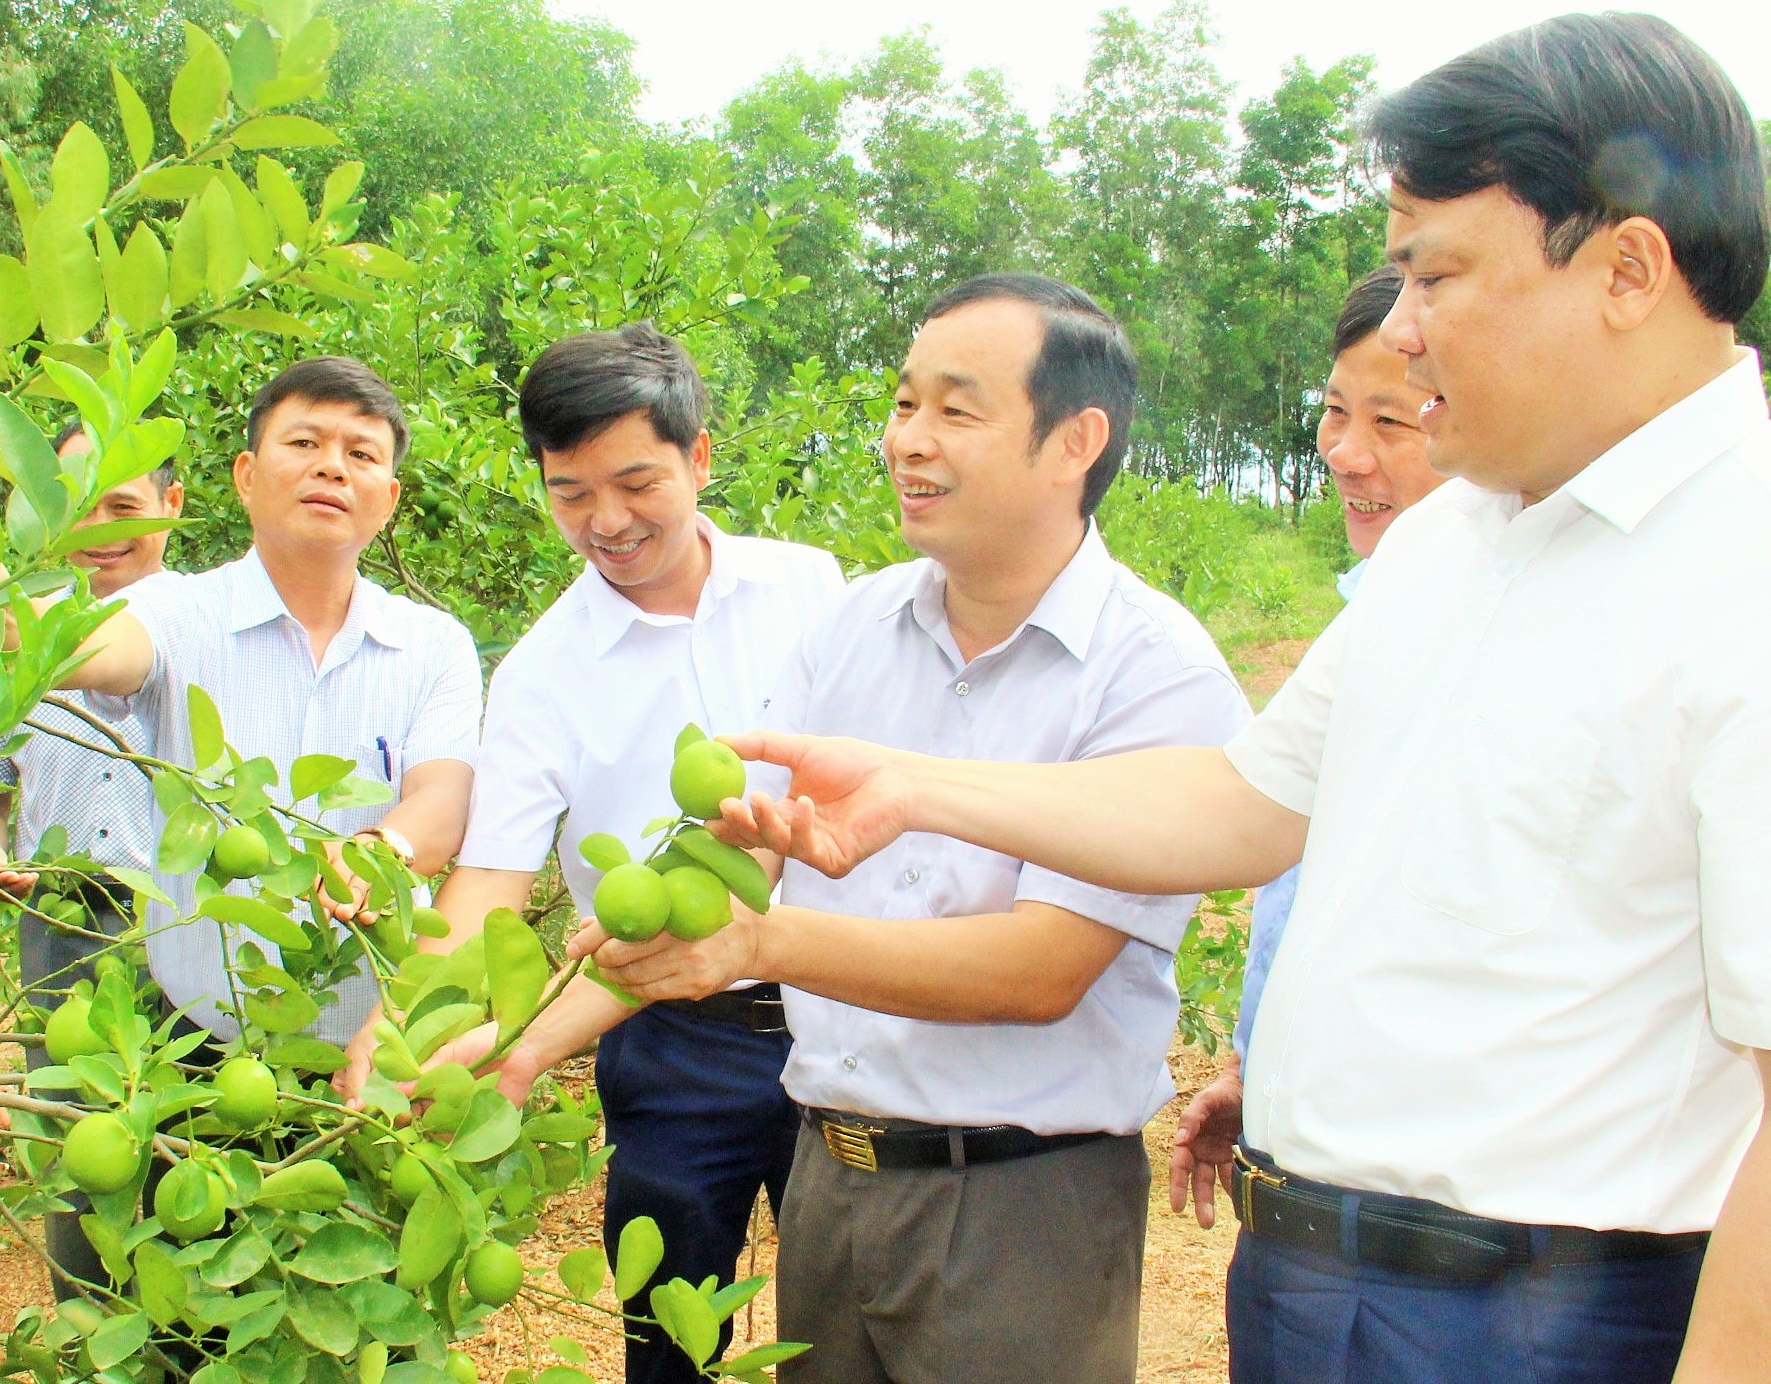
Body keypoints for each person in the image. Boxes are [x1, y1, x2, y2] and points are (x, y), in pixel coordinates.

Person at [684, 19, 1771, 1384]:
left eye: (1435, 274)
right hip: (1312, 1284)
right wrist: (918, 789)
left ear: (1625, 267)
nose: (1404, 329)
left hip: (1546, 1318)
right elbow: (1245, 802)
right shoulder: (1458, 541)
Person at [575, 273, 1250, 1384]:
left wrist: (763, 947)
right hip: (831, 1178)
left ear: (1074, 439)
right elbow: (747, 848)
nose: (907, 441)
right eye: (901, 404)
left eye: (954, 408)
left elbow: (1041, 968)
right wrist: (518, 1045)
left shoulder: (1153, 674)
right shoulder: (853, 625)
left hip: (1019, 1206)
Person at [339, 322, 845, 1382]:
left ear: (699, 457)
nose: (606, 521)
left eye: (635, 482)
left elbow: (820, 812)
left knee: (848, 1324)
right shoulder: (541, 671)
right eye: (570, 493)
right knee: (669, 1337)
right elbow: (487, 882)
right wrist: (404, 1021)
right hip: (669, 1035)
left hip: (844, 1006)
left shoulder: (812, 590)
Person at [50, 356, 481, 1046]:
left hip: (376, 1049)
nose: (332, 468)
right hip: (200, 1050)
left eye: (360, 453)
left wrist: (380, 849)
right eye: (305, 443)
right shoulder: (173, 611)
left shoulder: (434, 644)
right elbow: (100, 650)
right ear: (247, 476)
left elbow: (444, 796)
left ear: (390, 497)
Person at [1173, 266, 1445, 1226]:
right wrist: (1258, 1068)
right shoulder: (1372, 610)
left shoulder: (1472, 629)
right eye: (1336, 414)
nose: (1345, 454)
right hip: (1306, 1177)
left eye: (1393, 424)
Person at [0, 424, 183, 1265]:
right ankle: (98, 1327)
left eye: (123, 506)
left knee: (200, 1140)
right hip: (59, 923)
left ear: (173, 506)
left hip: (188, 924)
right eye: (77, 509)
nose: (100, 530)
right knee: (84, 1155)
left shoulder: (210, 628)